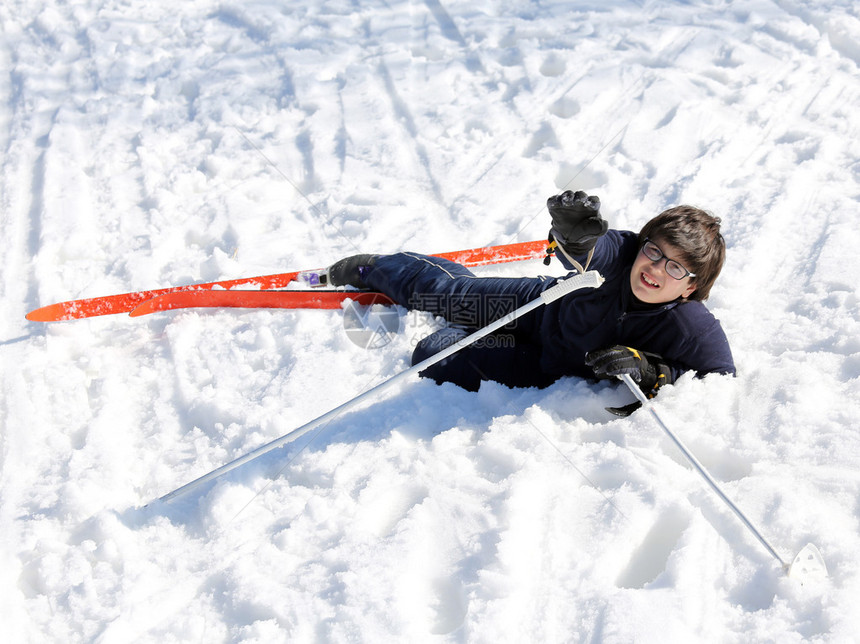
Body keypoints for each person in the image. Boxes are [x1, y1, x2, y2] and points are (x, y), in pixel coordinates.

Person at [325, 191, 735, 406]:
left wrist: (651, 370)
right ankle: (377, 267)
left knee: (432, 354)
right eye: (655, 251)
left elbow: (720, 382)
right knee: (447, 294)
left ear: (691, 288)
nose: (656, 269)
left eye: (676, 268)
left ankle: (469, 329)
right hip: (538, 307)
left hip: (544, 366)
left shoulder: (692, 327)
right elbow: (596, 249)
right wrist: (577, 238)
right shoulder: (624, 253)